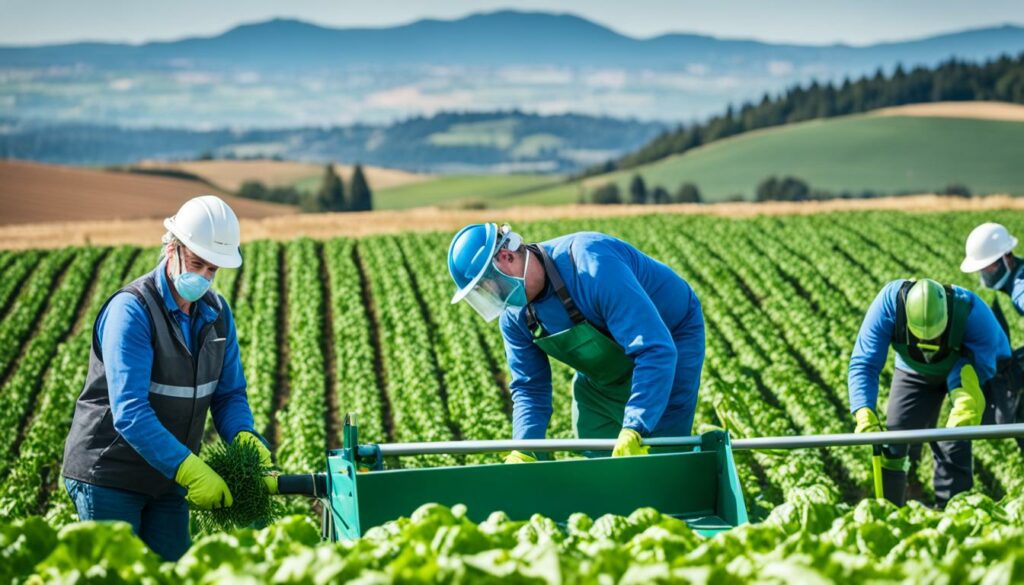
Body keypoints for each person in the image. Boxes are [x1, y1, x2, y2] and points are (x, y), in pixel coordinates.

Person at [62, 195, 276, 561]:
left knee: (172, 572)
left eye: (213, 270)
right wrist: (190, 469)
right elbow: (130, 411)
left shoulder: (218, 316)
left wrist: (243, 436)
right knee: (119, 575)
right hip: (111, 474)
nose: (204, 277)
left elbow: (229, 395)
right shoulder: (133, 311)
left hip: (168, 479)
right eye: (197, 264)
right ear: (172, 249)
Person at [447, 223, 704, 460]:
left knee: (661, 452)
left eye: (493, 287)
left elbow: (654, 349)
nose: (497, 297)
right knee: (596, 448)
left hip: (670, 338)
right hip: (604, 372)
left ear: (506, 257)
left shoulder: (590, 265)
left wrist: (636, 425)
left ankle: (698, 467)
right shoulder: (515, 317)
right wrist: (524, 448)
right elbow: (530, 388)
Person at [848, 278, 1009, 507]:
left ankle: (954, 512)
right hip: (913, 370)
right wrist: (863, 409)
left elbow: (991, 359)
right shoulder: (889, 304)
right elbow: (865, 363)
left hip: (962, 368)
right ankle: (892, 513)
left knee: (956, 438)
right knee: (894, 442)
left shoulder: (971, 311)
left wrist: (967, 393)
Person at [960, 222, 1024, 450]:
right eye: (982, 269)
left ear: (1007, 257)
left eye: (989, 267)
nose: (985, 273)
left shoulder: (1020, 290)